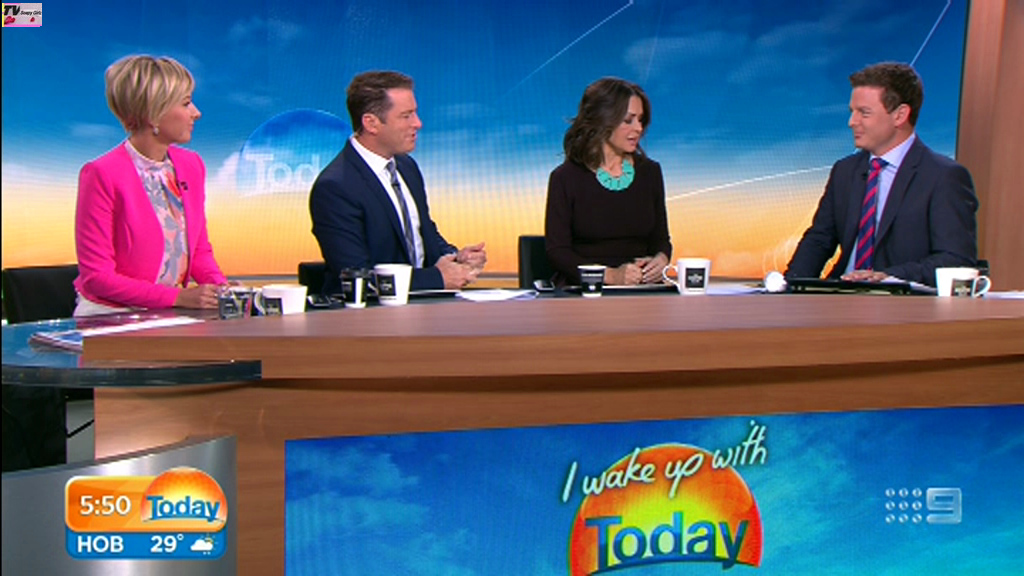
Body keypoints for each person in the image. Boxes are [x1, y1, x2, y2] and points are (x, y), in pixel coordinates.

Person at [786, 62, 978, 286]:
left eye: (864, 113)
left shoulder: (943, 177)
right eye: (852, 112)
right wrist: (786, 287)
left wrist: (890, 277)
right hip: (840, 294)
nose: (851, 122)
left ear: (900, 115)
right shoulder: (845, 171)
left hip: (900, 301)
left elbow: (956, 260)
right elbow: (819, 240)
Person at [74, 55, 227, 316]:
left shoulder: (192, 165)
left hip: (171, 312)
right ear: (153, 114)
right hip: (111, 314)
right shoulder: (101, 174)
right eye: (186, 103)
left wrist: (221, 289)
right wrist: (178, 297)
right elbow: (97, 277)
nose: (196, 113)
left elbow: (198, 249)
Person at [309, 71, 486, 294]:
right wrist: (437, 278)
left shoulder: (406, 167)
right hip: (370, 312)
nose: (418, 123)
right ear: (371, 123)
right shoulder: (336, 187)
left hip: (425, 306)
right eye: (406, 116)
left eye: (415, 113)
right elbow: (358, 275)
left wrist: (454, 257)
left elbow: (422, 232)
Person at [544, 78, 671, 286]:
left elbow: (661, 240)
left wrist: (661, 260)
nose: (639, 128)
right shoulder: (565, 178)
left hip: (640, 288)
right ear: (603, 121)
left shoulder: (650, 172)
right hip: (584, 290)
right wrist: (611, 276)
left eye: (641, 120)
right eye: (628, 120)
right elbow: (558, 252)